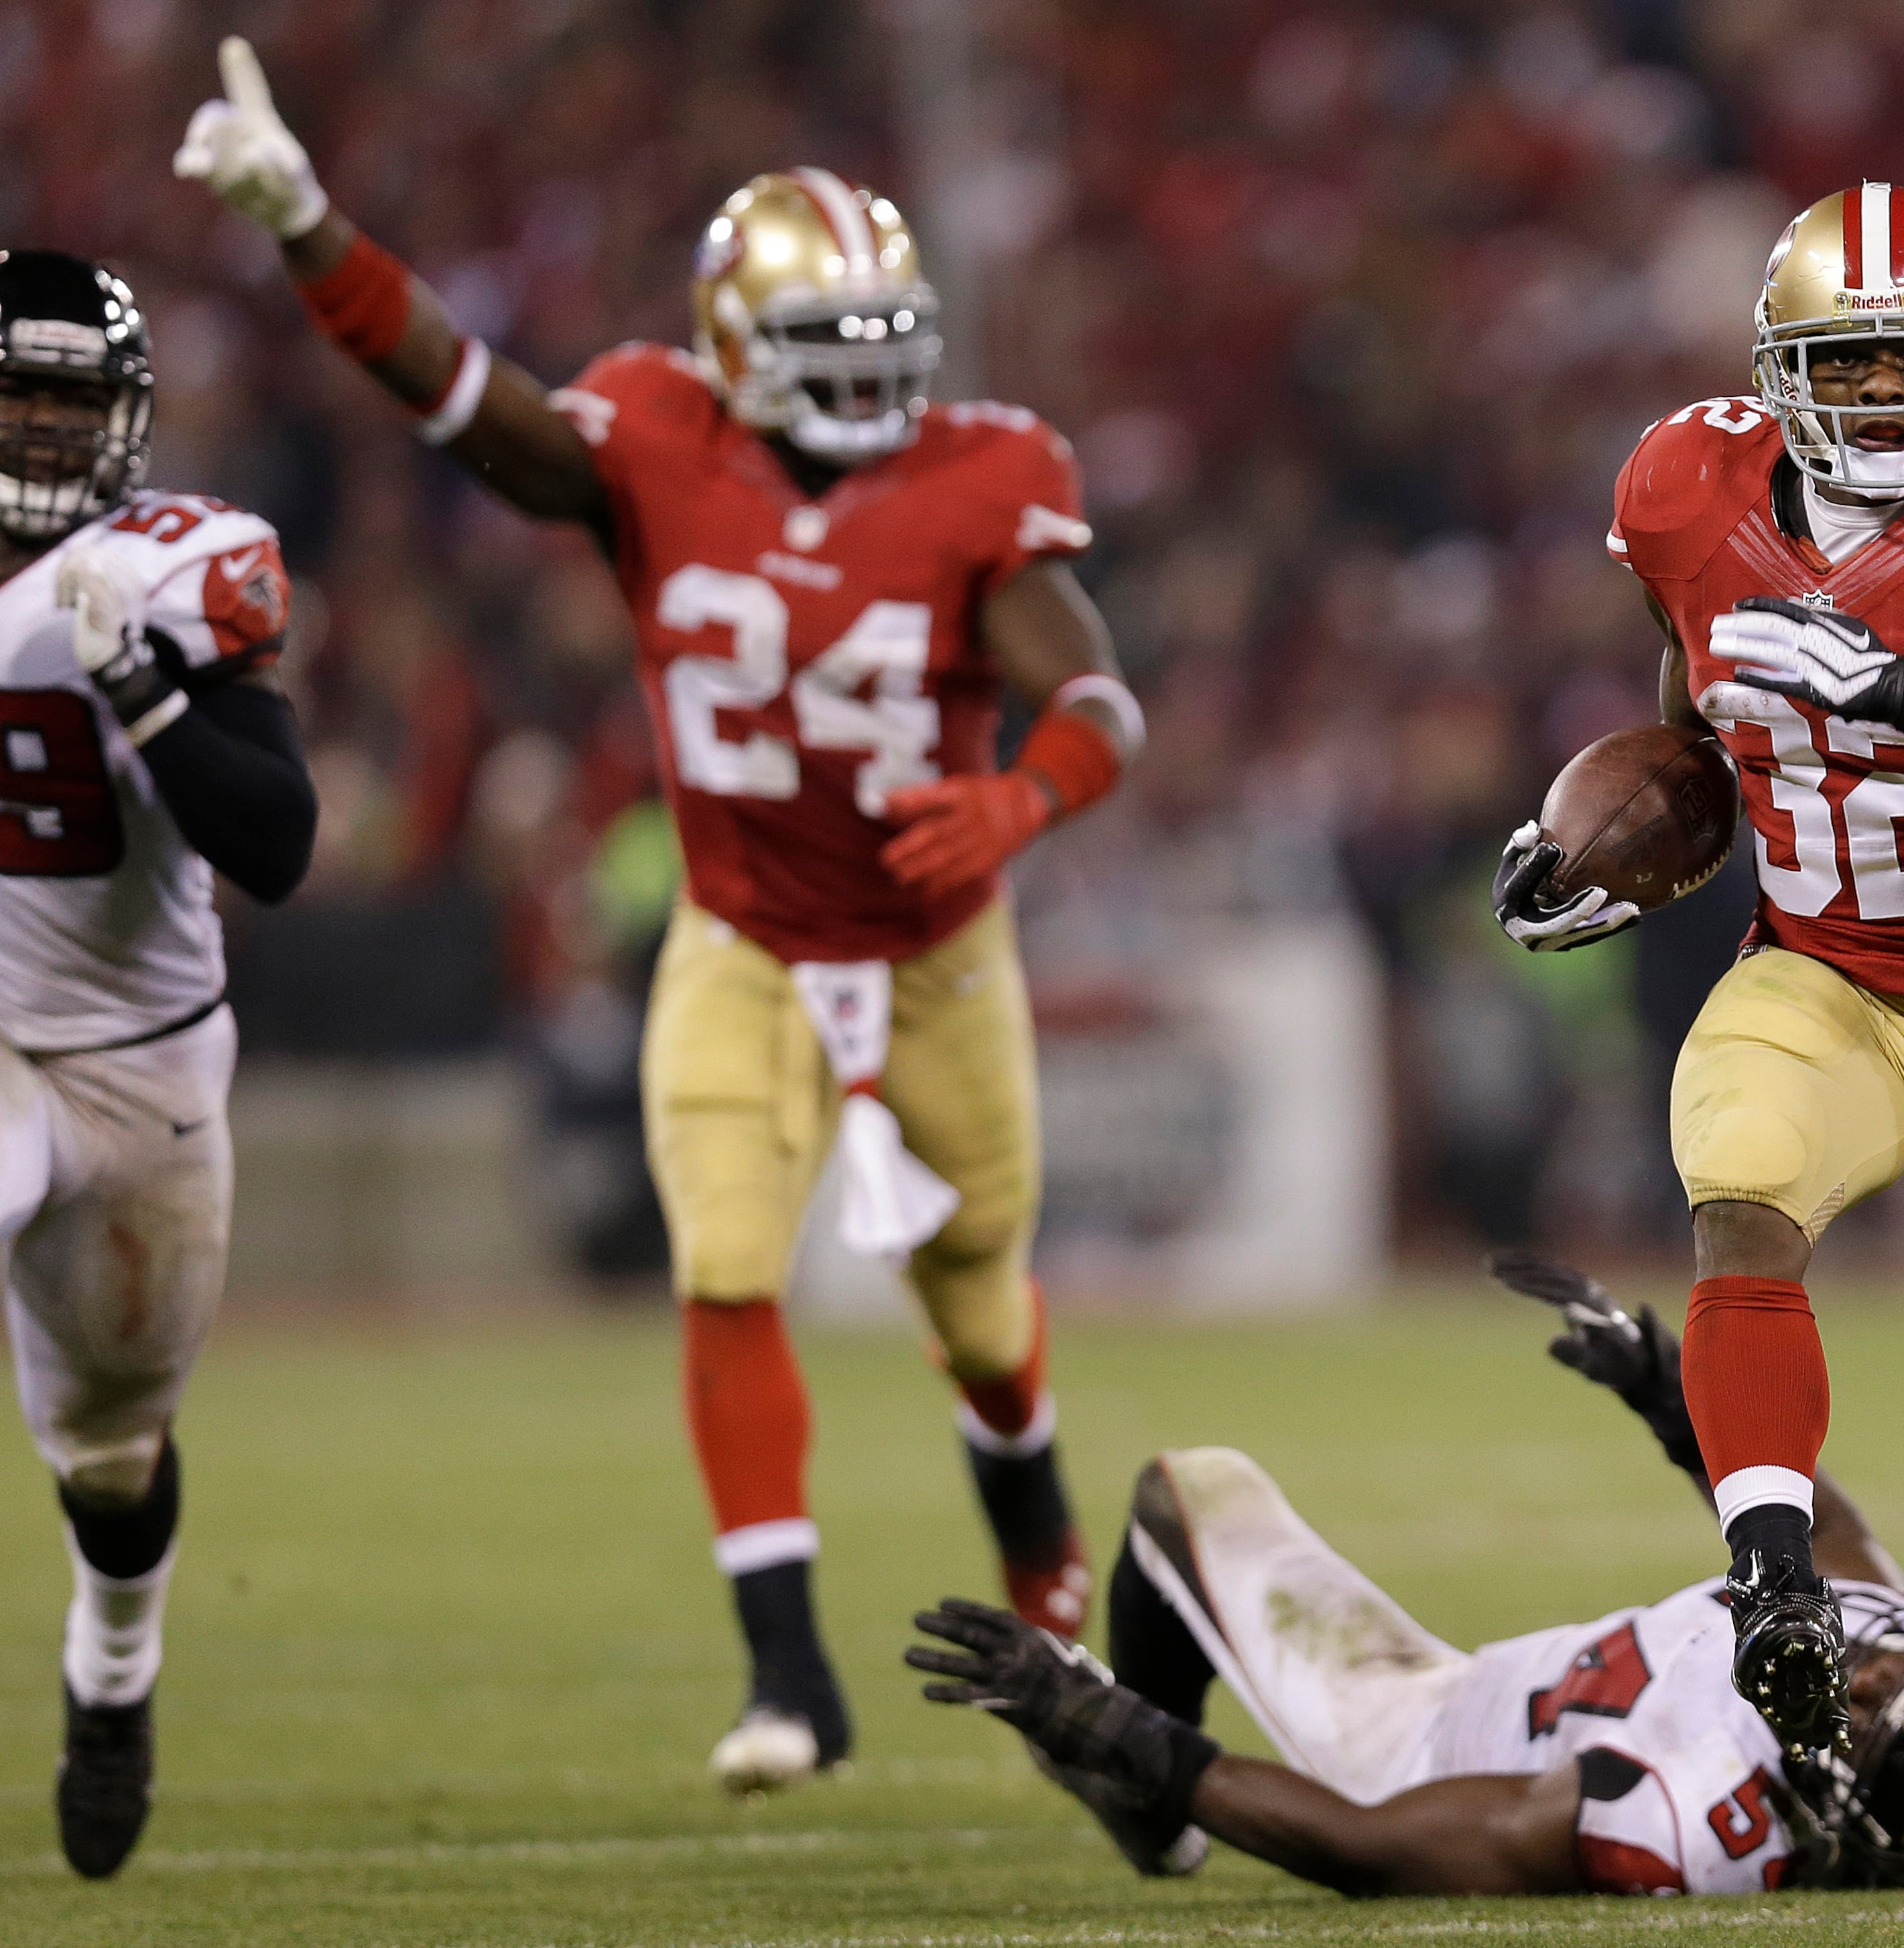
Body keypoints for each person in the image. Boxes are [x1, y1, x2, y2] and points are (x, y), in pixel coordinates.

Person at [175, 38, 1143, 1792]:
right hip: (744, 937)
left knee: (987, 1321)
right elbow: (464, 395)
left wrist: (1019, 798)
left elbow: (1097, 701)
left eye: (884, 345)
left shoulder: (984, 472)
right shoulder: (652, 434)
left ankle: (1056, 1628)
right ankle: (792, 1679)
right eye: (822, 347)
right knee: (718, 1258)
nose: (868, 381)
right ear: (725, 351)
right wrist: (312, 227)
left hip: (935, 956)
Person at [1490, 183, 1904, 1813]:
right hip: (1825, 972)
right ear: (1779, 369)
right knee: (1743, 1187)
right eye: (1846, 364)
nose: (1880, 395)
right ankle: (1774, 1571)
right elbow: (1702, 741)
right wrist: (1611, 848)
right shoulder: (1684, 489)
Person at [906, 1254, 1904, 1896]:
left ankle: (1151, 1821)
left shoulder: (1694, 1817)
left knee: (1186, 1491)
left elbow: (1374, 1844)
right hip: (1513, 1678)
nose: (1868, 1661)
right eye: (1903, 1665)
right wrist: (1668, 1397)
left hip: (1417, 1733)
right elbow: (1834, 1546)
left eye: (1868, 1709)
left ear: (1851, 1811)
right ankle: (1146, 1800)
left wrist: (1115, 1729)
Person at [0, 247, 317, 1878]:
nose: (51, 434)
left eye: (77, 402)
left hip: (139, 1068)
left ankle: (111, 1674)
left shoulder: (167, 572)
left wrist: (145, 691)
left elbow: (276, 846)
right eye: (22, 398)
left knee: (112, 1459)